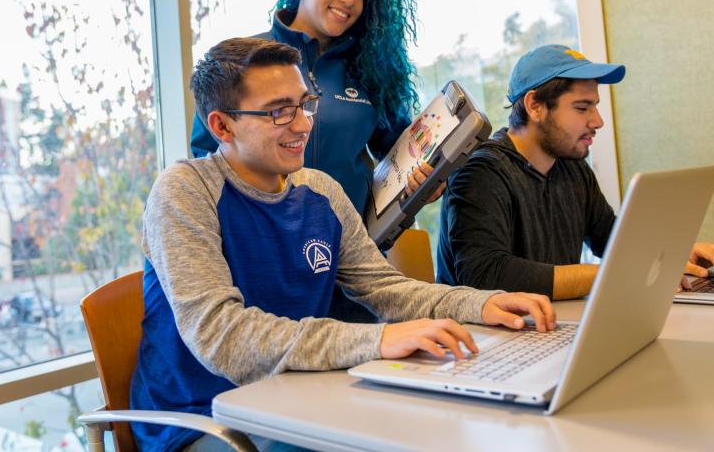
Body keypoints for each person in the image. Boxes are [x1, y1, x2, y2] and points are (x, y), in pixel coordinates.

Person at [130, 37, 555, 451]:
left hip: (293, 396)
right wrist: (377, 341)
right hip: (202, 421)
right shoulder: (185, 191)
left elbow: (385, 288)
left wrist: (480, 304)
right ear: (222, 125)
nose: (302, 124)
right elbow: (224, 337)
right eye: (279, 112)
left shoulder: (319, 190)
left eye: (305, 104)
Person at [190, 0, 440, 321]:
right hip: (266, 257)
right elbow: (207, 155)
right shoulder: (245, 61)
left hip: (349, 260)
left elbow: (400, 154)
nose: (349, 1)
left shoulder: (371, 71)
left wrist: (423, 180)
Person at [436, 44, 714, 299]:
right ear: (535, 106)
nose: (597, 121)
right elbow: (485, 274)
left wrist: (672, 256)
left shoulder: (572, 167)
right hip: (484, 347)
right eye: (582, 108)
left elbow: (613, 241)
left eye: (594, 106)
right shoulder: (481, 172)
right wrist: (615, 275)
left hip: (550, 328)